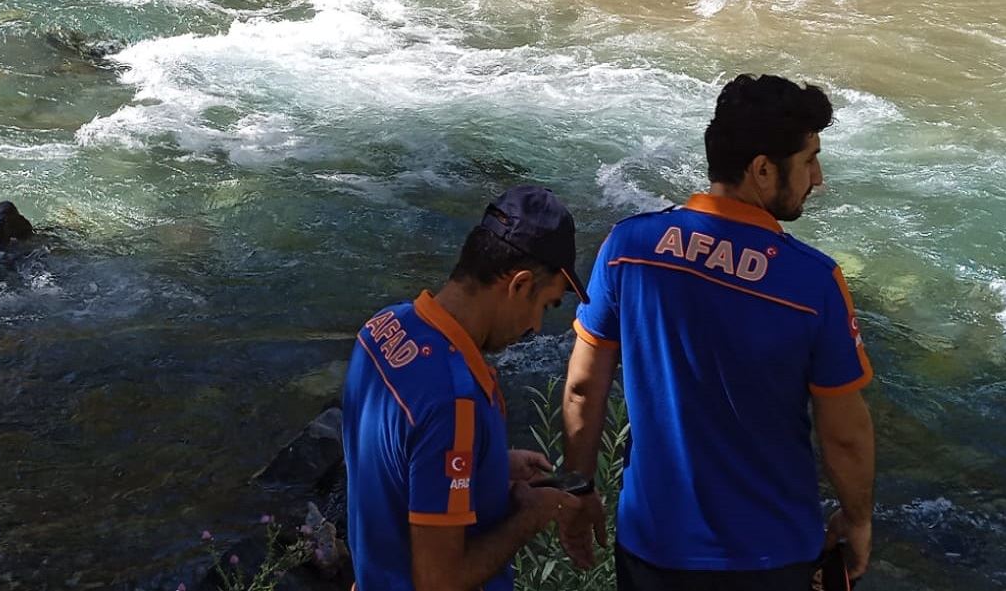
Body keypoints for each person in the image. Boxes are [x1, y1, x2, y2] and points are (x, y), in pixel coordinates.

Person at [561, 75, 876, 590]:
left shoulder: (628, 248)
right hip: (769, 559)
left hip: (651, 551)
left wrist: (577, 490)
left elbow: (582, 387)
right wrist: (858, 520)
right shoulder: (813, 283)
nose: (818, 179)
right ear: (762, 169)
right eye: (809, 160)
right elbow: (844, 435)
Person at [342, 186, 598, 591]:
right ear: (519, 285)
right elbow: (439, 581)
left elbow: (401, 461)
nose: (535, 327)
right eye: (545, 306)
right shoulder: (455, 401)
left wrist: (488, 465)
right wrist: (533, 515)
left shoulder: (384, 328)